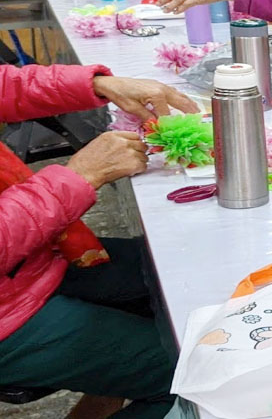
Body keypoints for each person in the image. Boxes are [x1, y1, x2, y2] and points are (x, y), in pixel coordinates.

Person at [0, 63, 199, 418]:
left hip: (27, 264)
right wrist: (80, 176)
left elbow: (8, 85)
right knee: (196, 379)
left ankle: (107, 391)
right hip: (9, 315)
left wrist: (100, 84)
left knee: (179, 271)